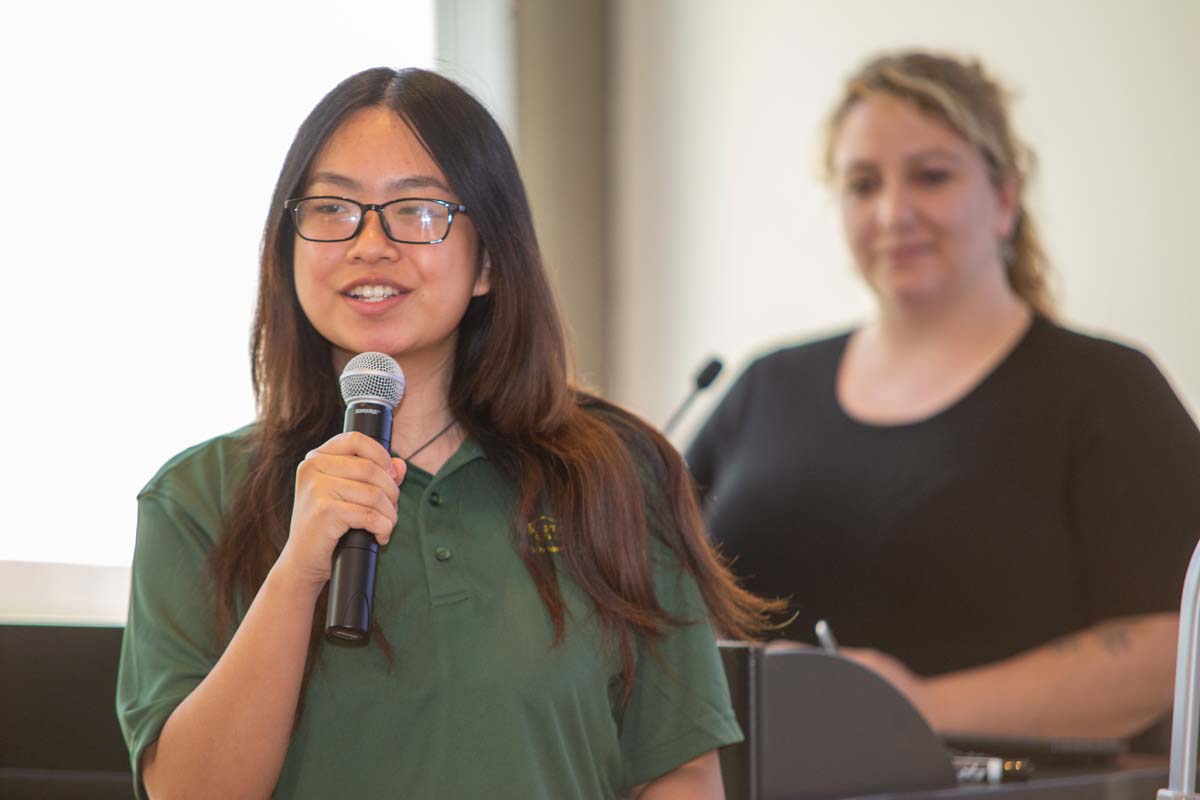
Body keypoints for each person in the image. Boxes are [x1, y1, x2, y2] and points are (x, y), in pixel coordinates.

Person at [116, 67, 778, 800]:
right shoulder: (194, 496)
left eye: (417, 210)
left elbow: (679, 768)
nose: (370, 244)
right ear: (288, 247)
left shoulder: (616, 473)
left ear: (488, 259)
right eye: (332, 208)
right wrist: (299, 570)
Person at [687, 51, 1200, 742]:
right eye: (862, 185)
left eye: (931, 177)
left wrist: (921, 706)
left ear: (1005, 199)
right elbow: (643, 587)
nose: (893, 212)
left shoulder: (1106, 390)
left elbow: (1175, 642)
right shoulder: (764, 386)